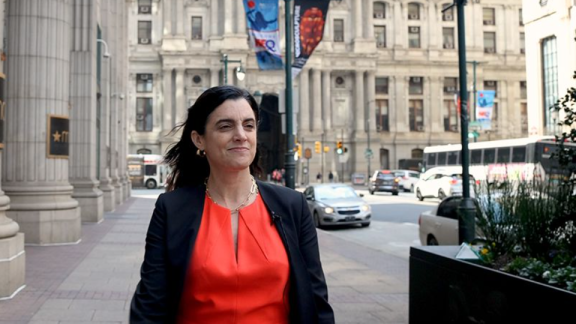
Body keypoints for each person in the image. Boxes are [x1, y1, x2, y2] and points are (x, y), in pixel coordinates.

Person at [130, 86, 334, 324]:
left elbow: (316, 302)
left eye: (249, 125)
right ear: (199, 139)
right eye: (225, 126)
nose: (241, 135)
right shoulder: (171, 209)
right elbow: (150, 306)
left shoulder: (293, 206)